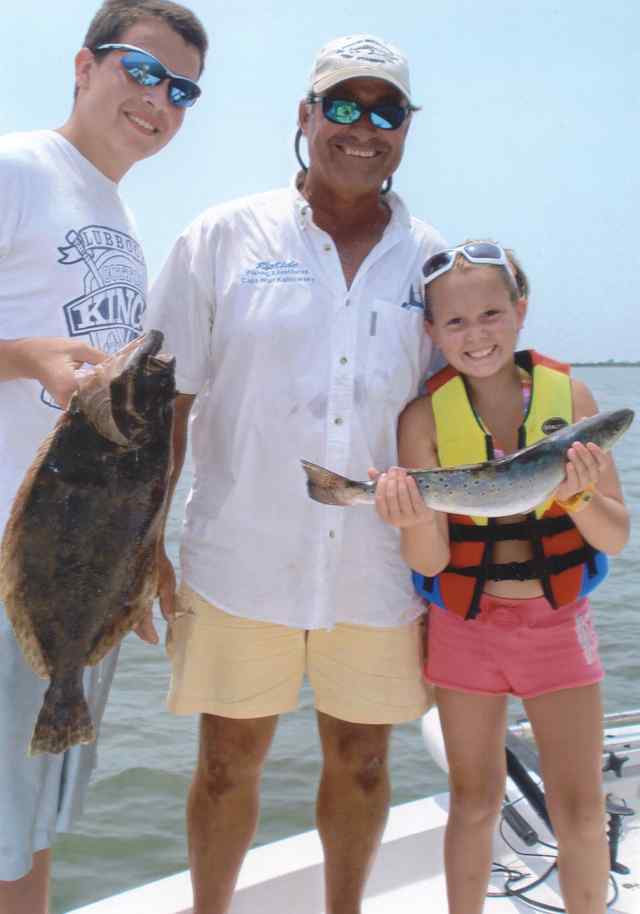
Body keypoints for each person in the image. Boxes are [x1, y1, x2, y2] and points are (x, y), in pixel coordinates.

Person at [145, 33, 446, 914]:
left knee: (365, 761)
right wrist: (143, 543)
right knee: (224, 763)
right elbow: (166, 403)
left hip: (377, 567)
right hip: (239, 557)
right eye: (342, 105)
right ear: (306, 116)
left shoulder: (432, 261)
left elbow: (454, 421)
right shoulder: (220, 236)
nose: (363, 128)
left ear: (407, 127)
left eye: (385, 110)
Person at [0, 3, 207, 912]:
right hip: (17, 556)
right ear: (84, 66)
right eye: (141, 70)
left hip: (87, 566)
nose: (159, 99)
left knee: (32, 823)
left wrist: (145, 547)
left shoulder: (116, 214)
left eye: (182, 90)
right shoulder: (17, 170)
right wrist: (27, 358)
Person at [374, 241, 630, 914]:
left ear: (521, 311)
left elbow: (614, 535)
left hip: (558, 628)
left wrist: (578, 496)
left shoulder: (573, 399)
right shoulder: (422, 419)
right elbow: (430, 562)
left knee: (579, 808)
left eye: (491, 314)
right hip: (466, 628)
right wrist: (411, 518)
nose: (476, 334)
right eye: (455, 322)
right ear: (431, 332)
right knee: (473, 801)